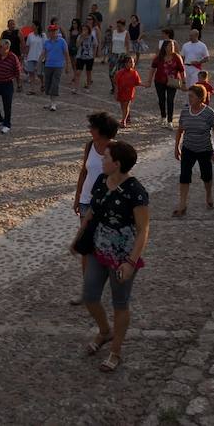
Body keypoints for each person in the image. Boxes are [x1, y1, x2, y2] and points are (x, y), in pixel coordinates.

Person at [73, 141, 149, 373]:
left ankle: (115, 350)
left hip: (122, 256)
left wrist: (130, 262)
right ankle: (105, 331)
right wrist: (79, 237)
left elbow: (143, 230)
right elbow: (93, 211)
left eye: (106, 158)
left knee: (120, 303)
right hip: (98, 249)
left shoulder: (136, 192)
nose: (102, 160)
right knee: (90, 295)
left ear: (117, 164)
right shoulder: (101, 182)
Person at [70, 112, 119, 306]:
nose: (89, 130)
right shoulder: (89, 146)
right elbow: (84, 171)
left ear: (102, 130)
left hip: (107, 204)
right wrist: (77, 197)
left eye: (92, 127)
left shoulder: (115, 149)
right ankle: (88, 291)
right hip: (86, 202)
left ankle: (113, 284)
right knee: (86, 247)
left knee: (106, 246)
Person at [173, 85, 214, 216]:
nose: (189, 99)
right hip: (188, 148)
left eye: (192, 96)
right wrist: (177, 147)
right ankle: (182, 204)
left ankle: (209, 195)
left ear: (201, 98)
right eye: (188, 96)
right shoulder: (185, 112)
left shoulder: (209, 113)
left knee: (206, 176)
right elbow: (180, 130)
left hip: (204, 149)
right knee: (184, 176)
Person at [144, 40, 185, 129]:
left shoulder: (177, 57)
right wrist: (149, 81)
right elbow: (152, 69)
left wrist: (184, 82)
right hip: (159, 82)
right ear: (164, 47)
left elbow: (182, 70)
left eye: (172, 46)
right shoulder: (159, 57)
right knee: (161, 99)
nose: (171, 48)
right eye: (169, 46)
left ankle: (170, 121)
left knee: (170, 100)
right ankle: (163, 117)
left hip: (172, 82)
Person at [0, 39, 21, 133]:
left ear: (7, 48)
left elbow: (18, 71)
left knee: (7, 105)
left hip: (7, 84)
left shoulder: (13, 57)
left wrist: (18, 84)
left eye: (0, 47)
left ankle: (7, 124)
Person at [41, 24, 71, 111]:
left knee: (55, 83)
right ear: (49, 32)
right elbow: (43, 53)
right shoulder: (47, 42)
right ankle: (51, 102)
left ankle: (54, 103)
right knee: (48, 84)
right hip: (48, 65)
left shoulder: (62, 41)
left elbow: (66, 54)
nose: (53, 33)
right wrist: (39, 63)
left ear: (57, 31)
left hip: (58, 66)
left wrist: (67, 66)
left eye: (54, 31)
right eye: (51, 31)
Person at [106, 20, 131, 96]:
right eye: (117, 26)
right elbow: (111, 43)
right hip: (113, 54)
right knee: (111, 73)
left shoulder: (126, 33)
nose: (118, 27)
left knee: (120, 73)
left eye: (120, 26)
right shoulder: (114, 32)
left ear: (123, 26)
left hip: (122, 56)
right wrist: (109, 54)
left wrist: (128, 57)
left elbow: (127, 45)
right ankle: (114, 87)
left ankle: (120, 88)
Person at [114, 56, 142, 128]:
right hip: (121, 92)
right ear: (126, 63)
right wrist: (116, 92)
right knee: (123, 106)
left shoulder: (134, 73)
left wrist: (145, 84)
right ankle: (126, 117)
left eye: (133, 62)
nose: (132, 64)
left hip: (129, 93)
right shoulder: (119, 73)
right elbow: (116, 84)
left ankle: (123, 121)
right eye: (130, 62)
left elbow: (138, 82)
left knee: (126, 106)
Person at [71, 22, 98, 92]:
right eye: (83, 29)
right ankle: (76, 88)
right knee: (78, 72)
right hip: (80, 56)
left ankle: (88, 87)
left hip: (89, 57)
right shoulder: (80, 36)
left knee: (88, 72)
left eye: (85, 29)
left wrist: (94, 56)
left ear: (88, 30)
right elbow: (77, 45)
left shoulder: (92, 37)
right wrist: (82, 38)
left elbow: (95, 46)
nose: (84, 31)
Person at [0, 20, 24, 90]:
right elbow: (0, 43)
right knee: (6, 70)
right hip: (6, 54)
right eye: (11, 24)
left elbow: (22, 43)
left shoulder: (18, 32)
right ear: (8, 25)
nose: (12, 26)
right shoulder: (4, 33)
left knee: (17, 70)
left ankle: (19, 84)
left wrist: (22, 53)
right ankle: (6, 84)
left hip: (16, 54)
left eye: (13, 24)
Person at [23, 22, 45, 95]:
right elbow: (27, 46)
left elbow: (46, 46)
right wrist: (25, 55)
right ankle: (32, 89)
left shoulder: (43, 35)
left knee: (39, 74)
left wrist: (45, 56)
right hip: (31, 56)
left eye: (33, 25)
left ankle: (42, 83)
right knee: (31, 73)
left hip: (39, 57)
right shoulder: (30, 35)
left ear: (37, 26)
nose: (31, 26)